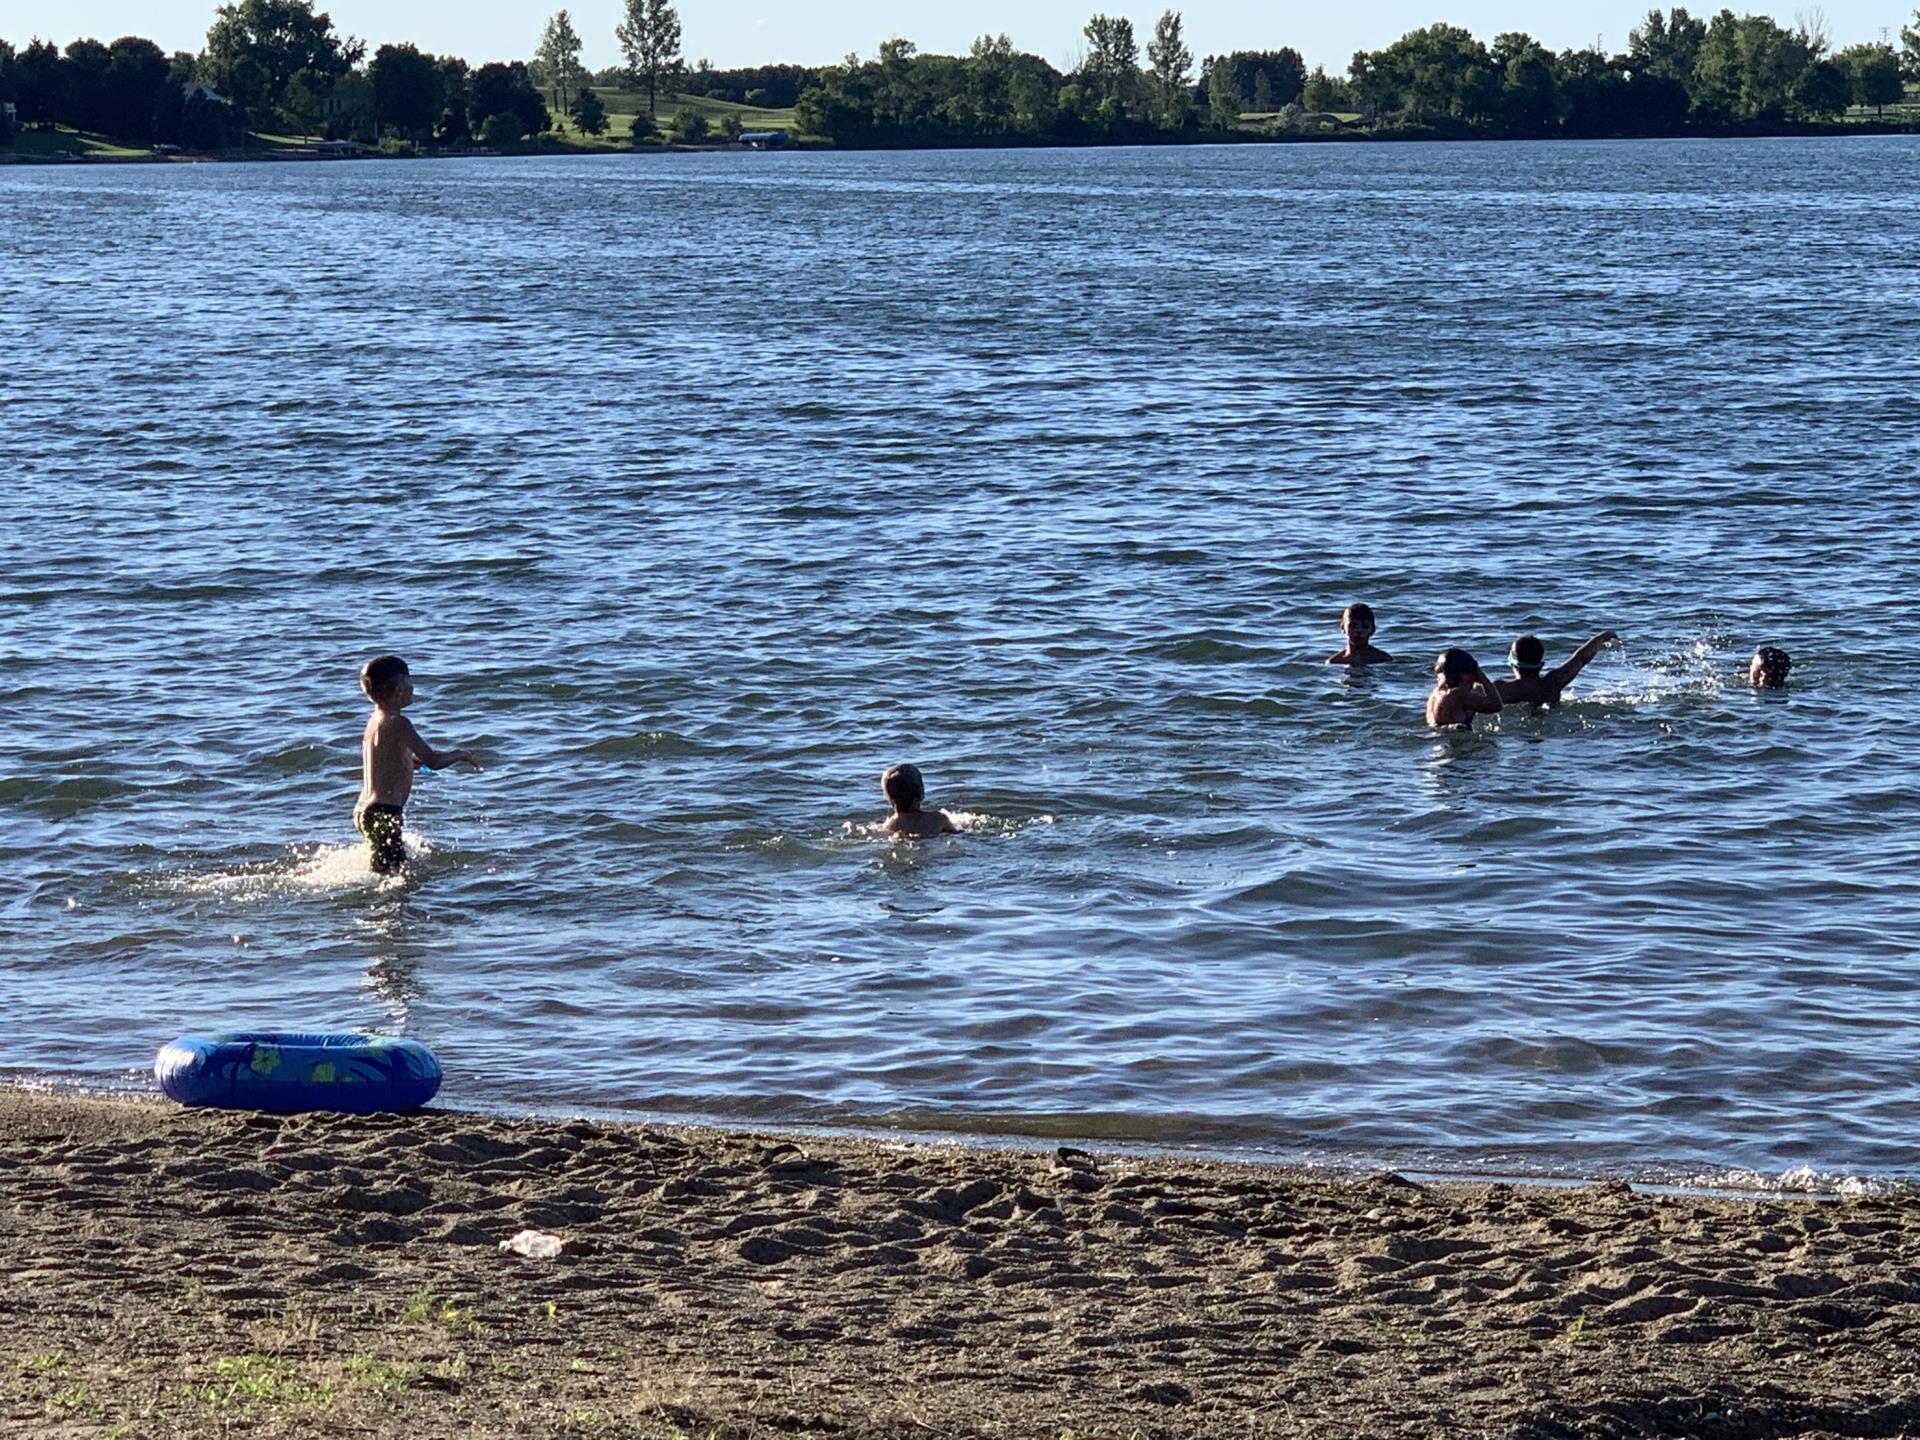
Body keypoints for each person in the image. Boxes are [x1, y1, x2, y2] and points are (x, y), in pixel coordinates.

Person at [355, 655, 480, 874]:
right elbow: (434, 760)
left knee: (386, 873)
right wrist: (460, 754)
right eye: (409, 680)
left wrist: (410, 763)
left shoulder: (375, 721)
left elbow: (384, 760)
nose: (413, 687)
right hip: (385, 813)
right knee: (396, 882)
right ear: (399, 689)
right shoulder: (400, 724)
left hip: (365, 810)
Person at [1495, 630, 1618, 707]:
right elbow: (1580, 658)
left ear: (1512, 663)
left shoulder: (1501, 689)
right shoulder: (1552, 683)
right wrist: (1602, 637)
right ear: (1541, 664)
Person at [1426, 649, 1503, 730]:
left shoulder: (1435, 694)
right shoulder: (1458, 694)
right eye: (1472, 675)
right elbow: (1497, 705)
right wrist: (1482, 677)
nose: (1474, 680)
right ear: (1463, 675)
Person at [881, 763, 958, 838]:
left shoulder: (889, 826)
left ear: (888, 798)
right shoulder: (937, 819)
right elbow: (957, 833)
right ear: (921, 793)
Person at [1327, 603, 1393, 665]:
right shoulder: (1335, 662)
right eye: (1353, 626)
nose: (1358, 630)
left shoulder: (1383, 659)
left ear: (1373, 630)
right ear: (1343, 628)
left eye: (1365, 626)